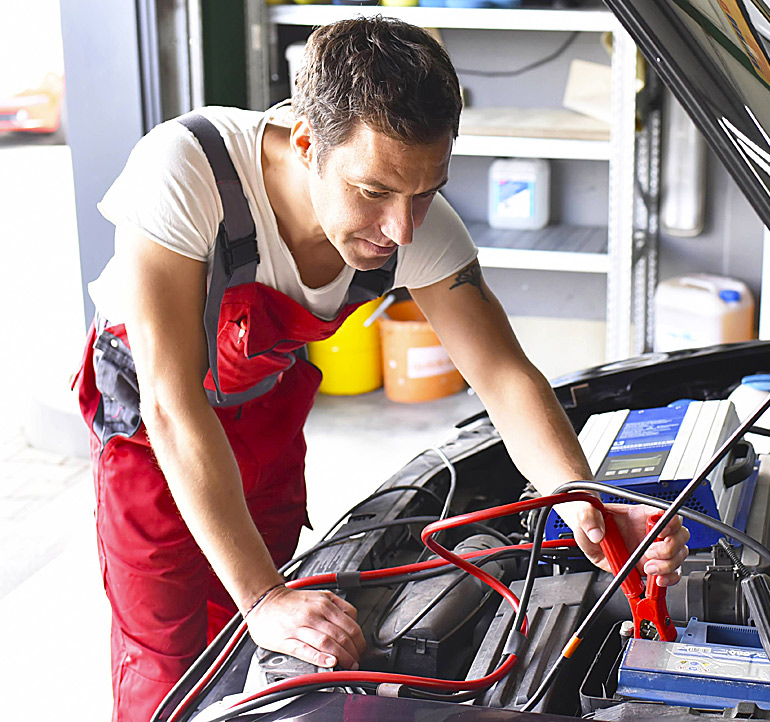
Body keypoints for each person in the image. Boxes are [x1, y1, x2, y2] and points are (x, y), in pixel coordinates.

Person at [73, 17, 688, 722]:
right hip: (152, 428)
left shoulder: (415, 221)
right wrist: (263, 596)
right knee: (167, 653)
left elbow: (505, 378)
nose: (403, 229)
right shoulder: (188, 171)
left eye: (426, 192)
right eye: (374, 192)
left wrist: (586, 503)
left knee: (264, 648)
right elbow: (171, 400)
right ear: (307, 144)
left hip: (266, 410)